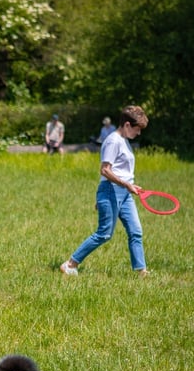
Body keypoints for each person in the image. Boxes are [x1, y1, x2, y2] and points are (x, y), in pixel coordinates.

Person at [60, 105, 150, 277]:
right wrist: (124, 185)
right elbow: (105, 170)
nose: (138, 134)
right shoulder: (113, 141)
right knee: (104, 233)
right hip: (112, 190)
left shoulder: (124, 141)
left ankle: (141, 271)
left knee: (135, 231)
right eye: (137, 130)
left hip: (123, 193)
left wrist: (130, 185)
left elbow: (121, 169)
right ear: (127, 125)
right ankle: (70, 264)